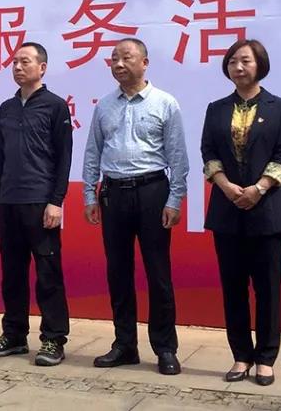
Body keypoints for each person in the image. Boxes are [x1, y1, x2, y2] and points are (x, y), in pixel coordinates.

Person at [82, 38, 188, 376]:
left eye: (126, 57)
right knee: (118, 272)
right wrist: (89, 195)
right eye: (114, 58)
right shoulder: (104, 106)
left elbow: (177, 156)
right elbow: (92, 152)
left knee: (158, 273)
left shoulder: (165, 103)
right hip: (114, 193)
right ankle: (125, 344)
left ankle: (165, 348)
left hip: (152, 191)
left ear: (144, 62)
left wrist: (175, 199)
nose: (118, 64)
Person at [201, 39, 281, 386]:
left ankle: (266, 358)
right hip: (227, 210)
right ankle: (241, 355)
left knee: (268, 289)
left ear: (260, 65)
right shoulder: (216, 109)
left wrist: (259, 189)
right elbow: (208, 152)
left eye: (245, 61)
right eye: (232, 62)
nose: (238, 67)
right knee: (233, 288)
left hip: (268, 211)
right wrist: (226, 186)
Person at [0, 42, 72, 366]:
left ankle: (53, 339)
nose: (18, 67)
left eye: (25, 61)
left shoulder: (55, 106)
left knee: (48, 274)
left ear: (42, 68)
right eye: (15, 62)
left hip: (40, 202)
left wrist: (56, 201)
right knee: (12, 273)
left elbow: (64, 157)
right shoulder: (7, 108)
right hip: (9, 201)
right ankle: (15, 335)